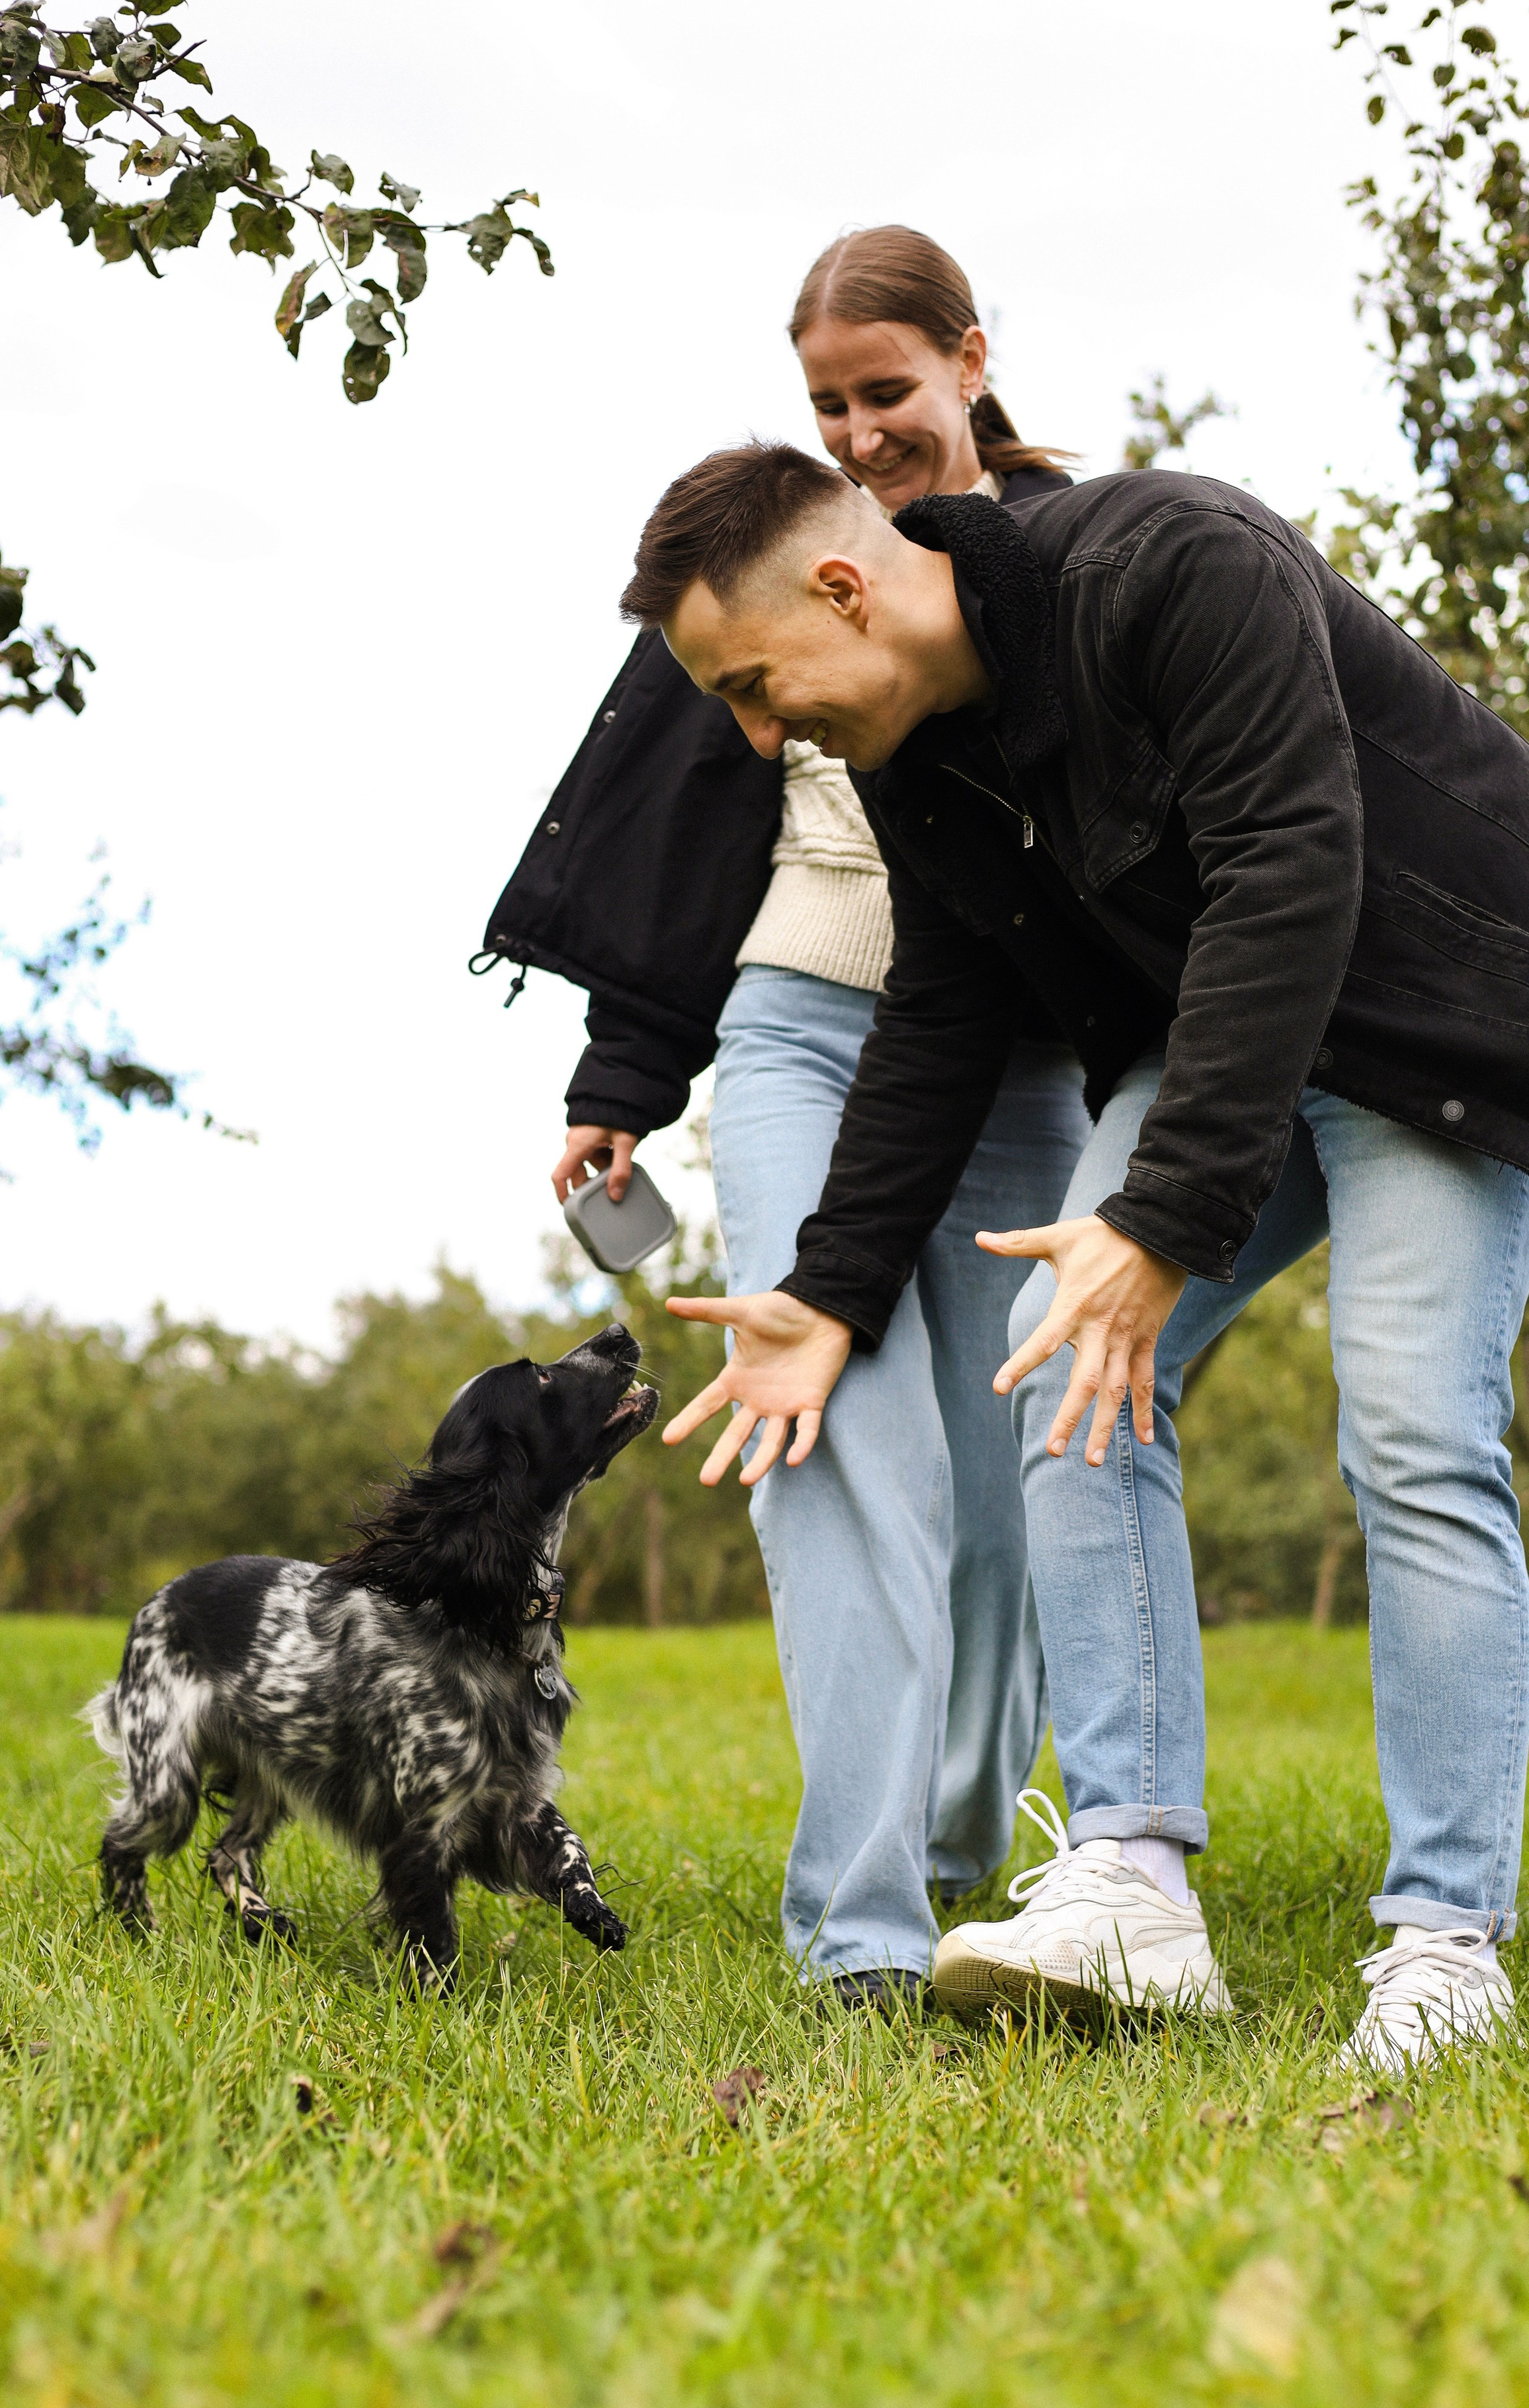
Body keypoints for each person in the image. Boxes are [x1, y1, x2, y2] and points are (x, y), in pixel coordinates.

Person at [636, 439, 1529, 2073]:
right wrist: (828, 1294)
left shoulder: (1171, 558)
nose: (762, 739)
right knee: (1066, 1364)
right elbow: (944, 1009)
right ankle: (1130, 1884)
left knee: (1406, 1423)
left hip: (1447, 1010)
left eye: (755, 688)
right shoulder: (922, 757)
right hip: (1235, 1036)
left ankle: (1447, 1942)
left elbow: (1288, 865)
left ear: (844, 585)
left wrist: (1158, 1225)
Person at [477, 231, 1090, 2006]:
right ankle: (863, 1934)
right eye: (829, 402)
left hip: (1015, 1064)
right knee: (824, 1433)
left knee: (1003, 1475)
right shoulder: (771, 568)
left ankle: (968, 1848)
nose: (863, 429)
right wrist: (621, 1086)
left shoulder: (1058, 552)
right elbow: (691, 826)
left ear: (972, 363)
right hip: (805, 1030)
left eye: (886, 391)